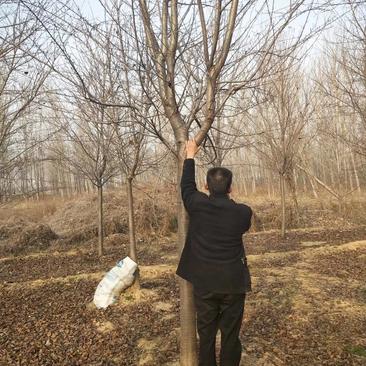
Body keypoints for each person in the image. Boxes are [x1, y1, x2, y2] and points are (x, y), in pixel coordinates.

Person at [176, 139, 252, 366]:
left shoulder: (197, 204)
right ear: (231, 188)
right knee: (230, 336)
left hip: (205, 283)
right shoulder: (242, 212)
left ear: (206, 187)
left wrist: (190, 155)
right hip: (233, 284)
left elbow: (187, 186)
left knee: (206, 336)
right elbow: (242, 224)